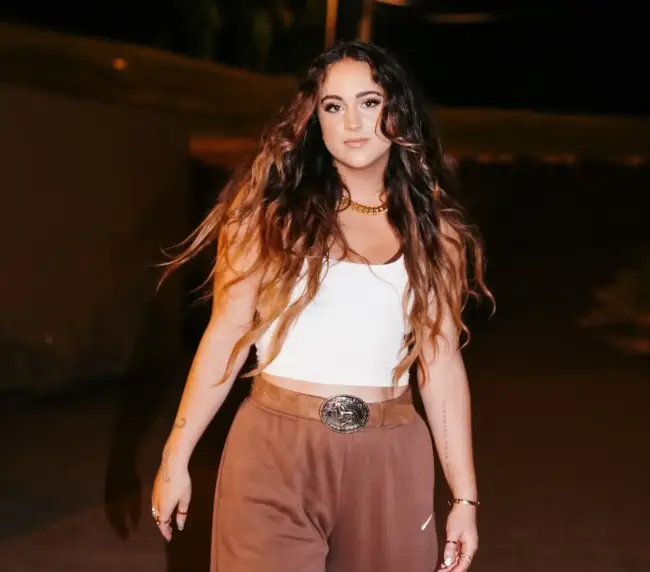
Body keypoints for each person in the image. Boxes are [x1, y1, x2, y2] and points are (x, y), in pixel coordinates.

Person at [151, 40, 492, 572]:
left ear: (397, 112)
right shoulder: (266, 216)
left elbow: (441, 364)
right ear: (315, 120)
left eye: (369, 102)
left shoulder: (435, 234)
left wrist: (464, 498)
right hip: (273, 450)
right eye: (333, 106)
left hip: (390, 454)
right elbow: (226, 335)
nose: (352, 122)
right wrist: (176, 453)